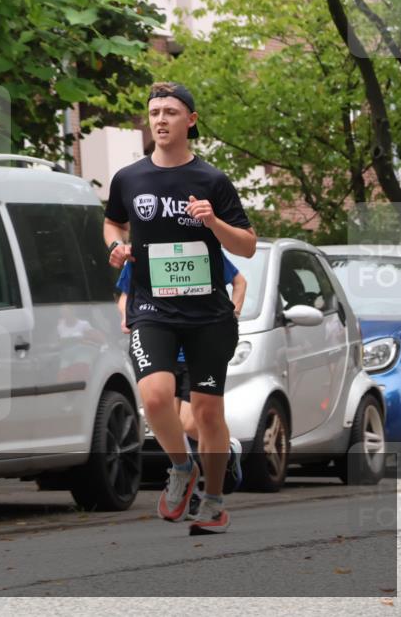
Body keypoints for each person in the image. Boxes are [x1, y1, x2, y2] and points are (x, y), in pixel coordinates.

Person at [104, 81, 256, 535]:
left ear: (190, 120)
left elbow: (246, 245)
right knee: (154, 396)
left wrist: (213, 221)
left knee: (208, 411)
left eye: (171, 112)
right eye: (154, 113)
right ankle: (180, 467)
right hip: (153, 307)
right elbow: (113, 222)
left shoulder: (212, 180)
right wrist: (116, 246)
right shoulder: (129, 179)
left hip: (208, 314)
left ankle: (213, 499)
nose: (161, 120)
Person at [116, 255, 248, 516]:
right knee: (167, 423)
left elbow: (239, 281)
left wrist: (234, 312)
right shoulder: (142, 252)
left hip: (193, 353)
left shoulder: (198, 249)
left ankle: (228, 449)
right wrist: (128, 316)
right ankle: (192, 493)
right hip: (163, 352)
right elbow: (124, 294)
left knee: (189, 423)